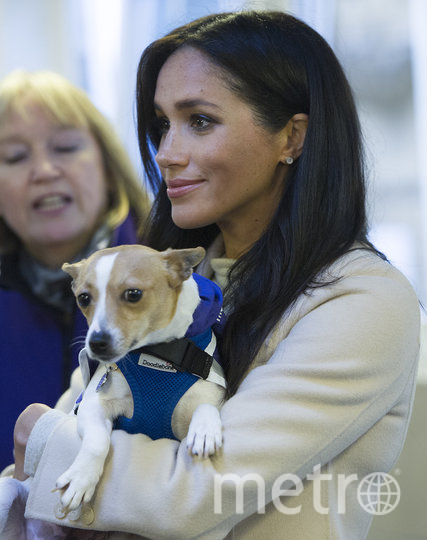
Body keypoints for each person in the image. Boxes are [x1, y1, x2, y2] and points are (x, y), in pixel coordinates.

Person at [7, 11, 420, 540]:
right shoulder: (163, 278)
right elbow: (72, 420)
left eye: (199, 121)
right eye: (161, 125)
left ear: (292, 138)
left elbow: (201, 491)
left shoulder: (363, 300)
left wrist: (41, 441)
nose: (166, 154)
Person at [0, 70, 150, 471]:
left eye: (66, 147)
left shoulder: (174, 276)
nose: (44, 170)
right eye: (14, 156)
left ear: (106, 163)